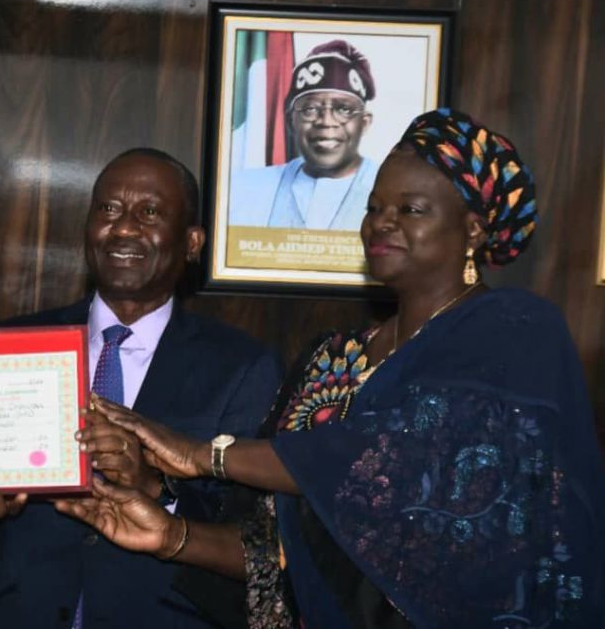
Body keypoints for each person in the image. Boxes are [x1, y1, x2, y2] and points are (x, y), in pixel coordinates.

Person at [60, 109, 605, 628]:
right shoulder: (331, 359)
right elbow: (279, 552)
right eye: (373, 207)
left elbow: (387, 460)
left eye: (410, 209)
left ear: (474, 230)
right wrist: (174, 536)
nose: (382, 223)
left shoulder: (514, 329)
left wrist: (205, 454)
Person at [0, 147, 282, 628]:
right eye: (108, 209)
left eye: (150, 212)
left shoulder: (243, 366)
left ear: (192, 242)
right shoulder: (10, 349)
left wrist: (156, 488)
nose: (125, 227)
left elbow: (257, 539)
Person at [228, 40, 377, 230]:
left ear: (364, 123)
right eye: (310, 109)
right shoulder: (245, 188)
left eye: (344, 109)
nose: (326, 121)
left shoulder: (390, 187)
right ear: (291, 121)